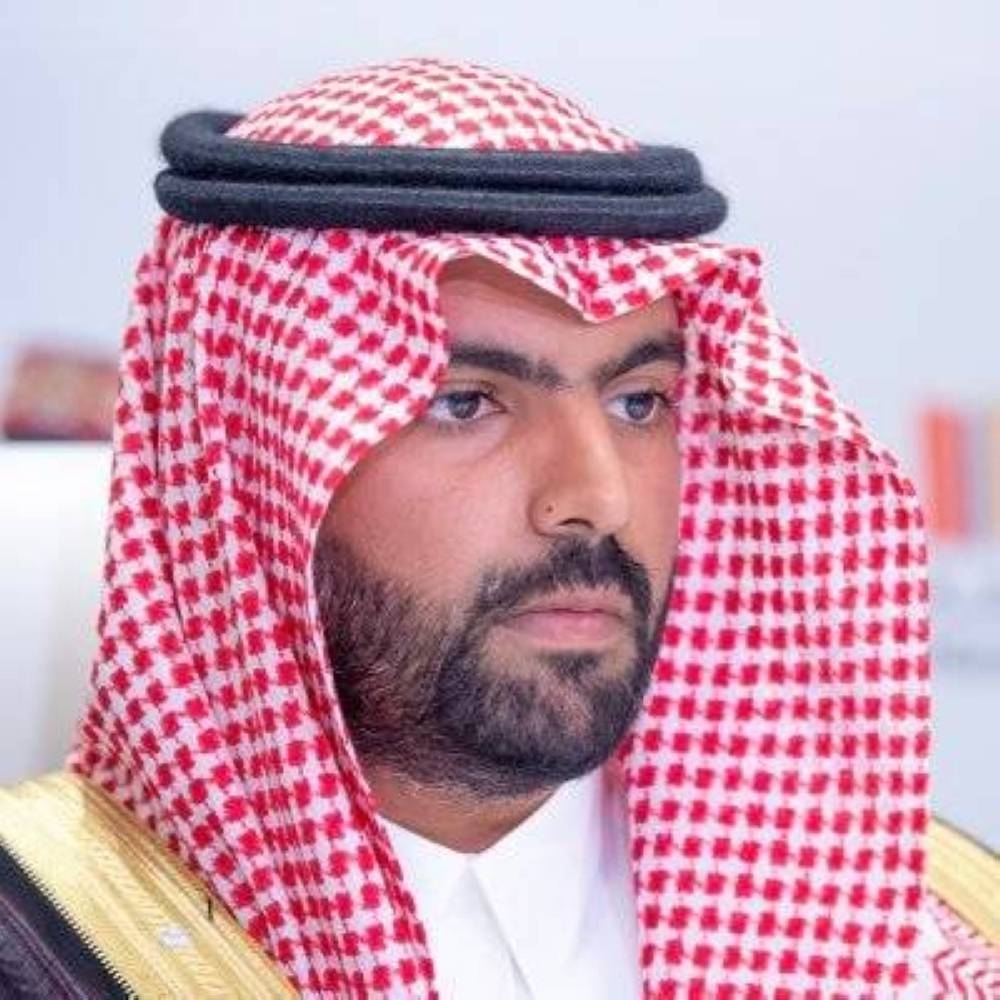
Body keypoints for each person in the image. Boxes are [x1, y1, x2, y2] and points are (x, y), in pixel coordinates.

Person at [0, 57, 996, 999]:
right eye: (465, 403)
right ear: (254, 461)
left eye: (638, 402)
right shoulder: (42, 949)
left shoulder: (936, 946)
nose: (595, 497)